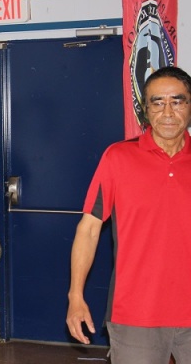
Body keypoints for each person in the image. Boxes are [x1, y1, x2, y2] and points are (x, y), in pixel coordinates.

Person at [66, 66, 191, 364]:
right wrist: (75, 295)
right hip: (135, 314)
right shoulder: (118, 158)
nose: (168, 112)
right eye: (157, 102)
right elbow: (89, 229)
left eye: (177, 101)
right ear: (145, 110)